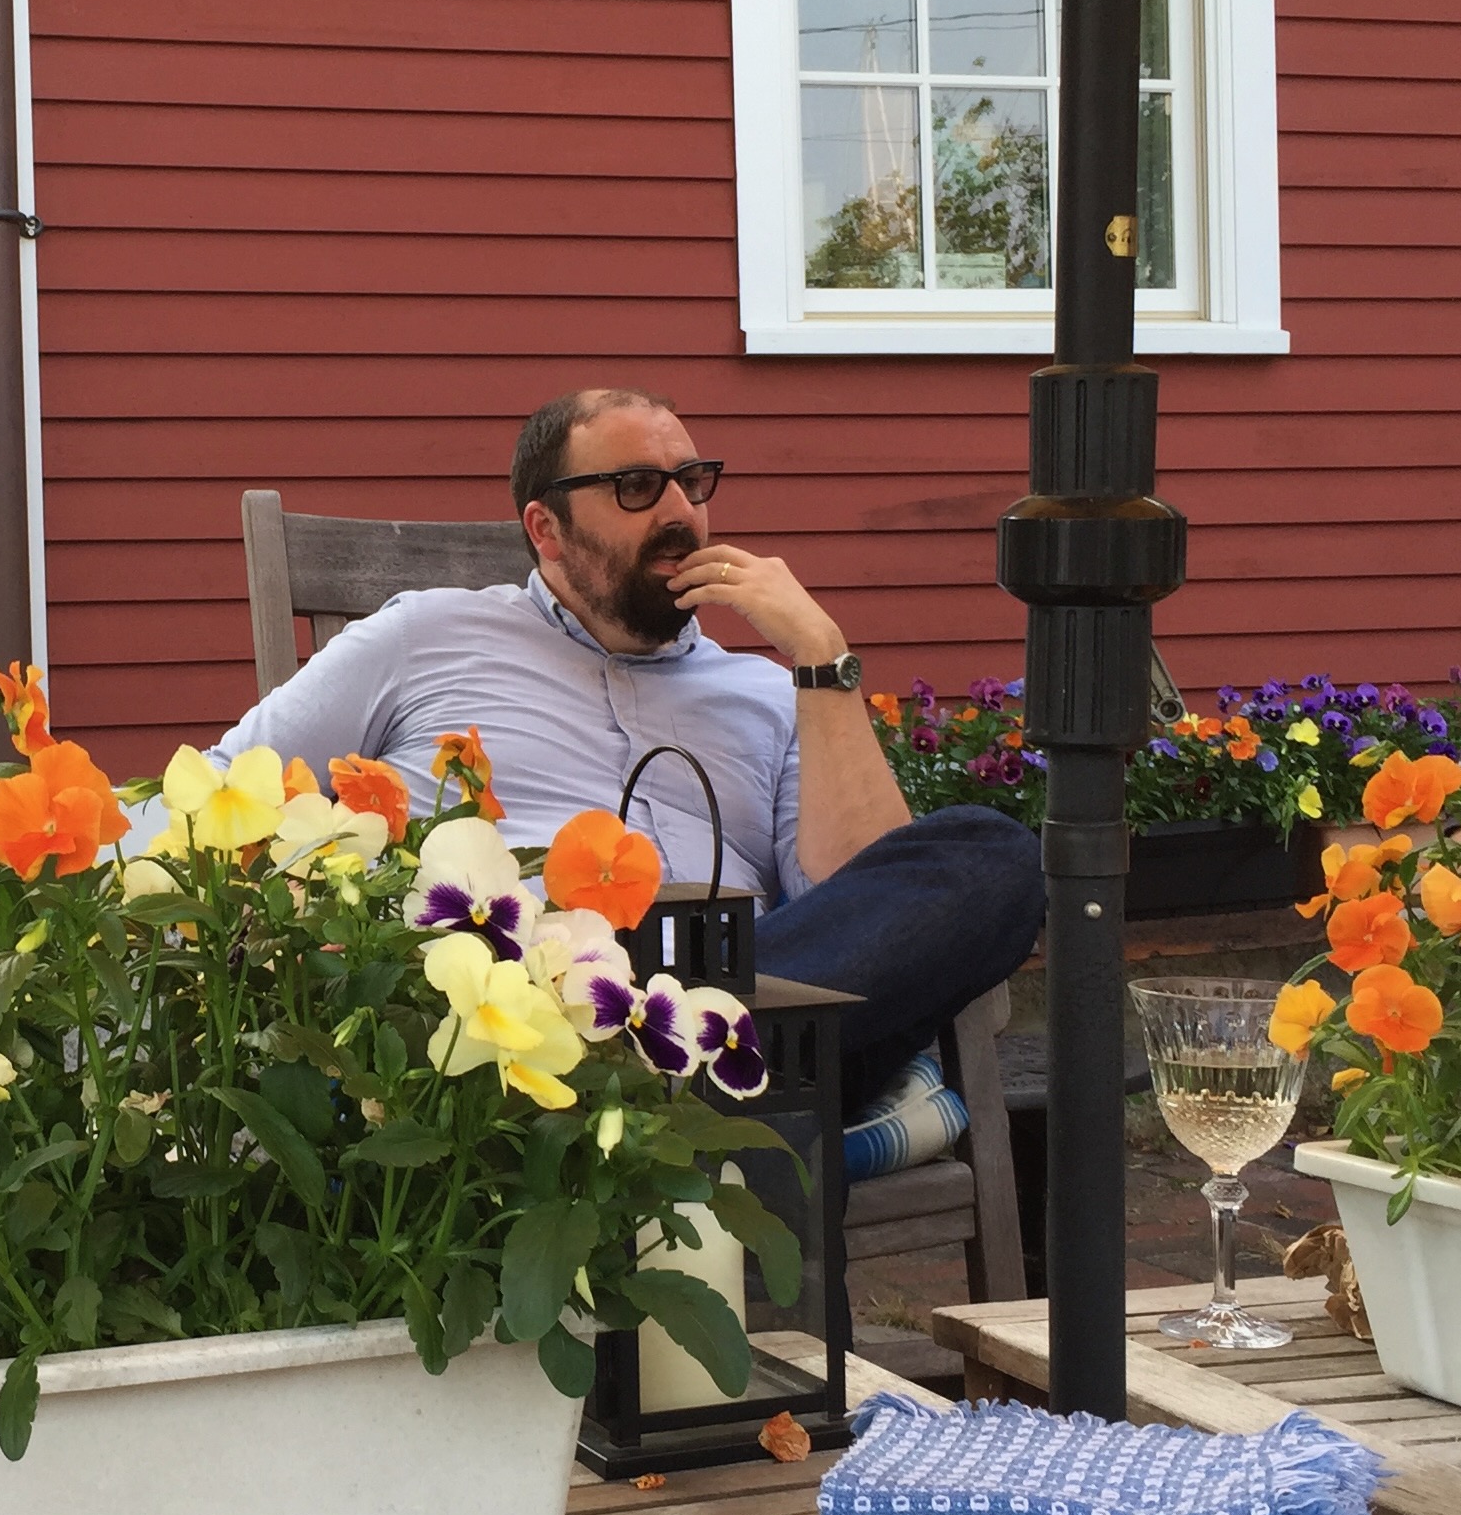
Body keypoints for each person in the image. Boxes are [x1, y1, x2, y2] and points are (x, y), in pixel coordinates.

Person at [218, 386, 1046, 1133]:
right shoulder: (423, 639)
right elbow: (217, 794)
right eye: (638, 487)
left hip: (749, 1017)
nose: (681, 511)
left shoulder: (769, 693)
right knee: (785, 1093)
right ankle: (685, 1084)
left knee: (992, 855)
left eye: (693, 481)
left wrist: (822, 658)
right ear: (546, 529)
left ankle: (678, 1069)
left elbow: (867, 902)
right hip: (525, 1035)